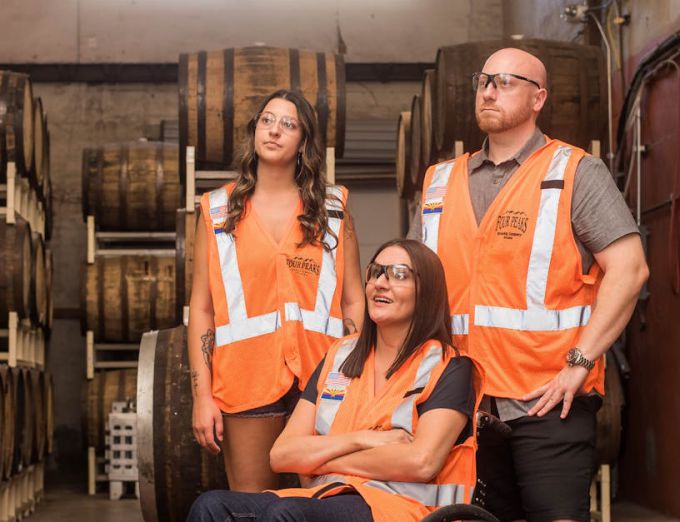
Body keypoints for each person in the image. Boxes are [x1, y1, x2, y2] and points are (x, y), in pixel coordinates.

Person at [409, 47, 649, 522]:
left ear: (539, 98)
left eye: (506, 81)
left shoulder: (575, 171)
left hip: (547, 400)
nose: (489, 90)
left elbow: (630, 269)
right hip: (460, 406)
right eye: (483, 81)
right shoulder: (438, 181)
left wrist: (580, 364)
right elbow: (417, 286)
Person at [188, 239, 481, 521]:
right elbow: (282, 455)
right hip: (327, 498)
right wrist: (364, 440)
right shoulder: (340, 355)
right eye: (375, 272)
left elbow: (421, 462)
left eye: (399, 275)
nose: (380, 282)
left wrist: (321, 461)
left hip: (405, 508)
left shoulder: (450, 367)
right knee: (212, 506)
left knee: (287, 513)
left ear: (426, 292)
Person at [187, 89, 365, 491]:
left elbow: (354, 297)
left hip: (323, 380)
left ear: (304, 142)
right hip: (245, 379)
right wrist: (202, 395)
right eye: (267, 120)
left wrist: (357, 375)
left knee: (325, 504)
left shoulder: (333, 208)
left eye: (288, 124)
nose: (274, 130)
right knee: (252, 508)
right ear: (254, 132)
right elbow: (201, 308)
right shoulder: (217, 210)